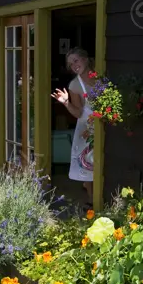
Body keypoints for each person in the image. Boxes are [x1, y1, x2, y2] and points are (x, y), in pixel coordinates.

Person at [51, 47, 96, 202]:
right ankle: (92, 202)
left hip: (105, 123)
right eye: (70, 64)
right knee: (88, 165)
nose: (74, 65)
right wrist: (65, 103)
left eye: (76, 60)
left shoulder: (101, 76)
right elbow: (78, 113)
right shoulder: (74, 85)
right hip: (86, 128)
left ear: (85, 59)